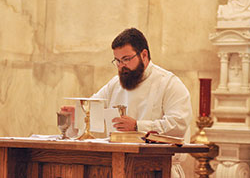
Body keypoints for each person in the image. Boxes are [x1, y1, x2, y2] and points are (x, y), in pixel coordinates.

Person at [61, 28, 192, 177]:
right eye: (117, 61)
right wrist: (77, 115)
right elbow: (93, 108)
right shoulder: (115, 85)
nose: (121, 66)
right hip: (116, 167)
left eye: (126, 59)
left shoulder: (169, 83)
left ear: (144, 55)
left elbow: (178, 124)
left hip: (159, 169)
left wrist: (137, 126)